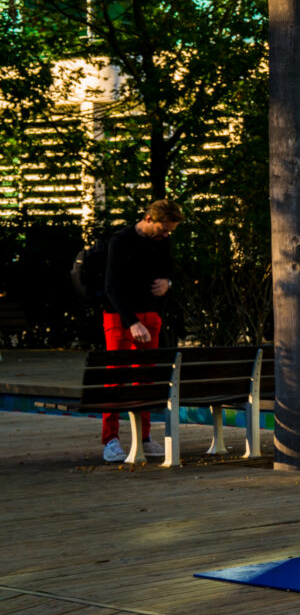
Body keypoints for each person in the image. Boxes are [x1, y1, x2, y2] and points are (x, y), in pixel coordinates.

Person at [99, 197, 182, 462]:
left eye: (170, 230)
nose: (166, 234)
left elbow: (170, 268)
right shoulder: (120, 240)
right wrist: (131, 321)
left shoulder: (162, 241)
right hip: (120, 317)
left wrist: (168, 282)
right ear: (149, 219)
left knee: (145, 377)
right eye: (163, 228)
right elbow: (111, 287)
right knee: (116, 377)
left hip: (150, 314)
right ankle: (110, 439)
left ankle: (143, 437)